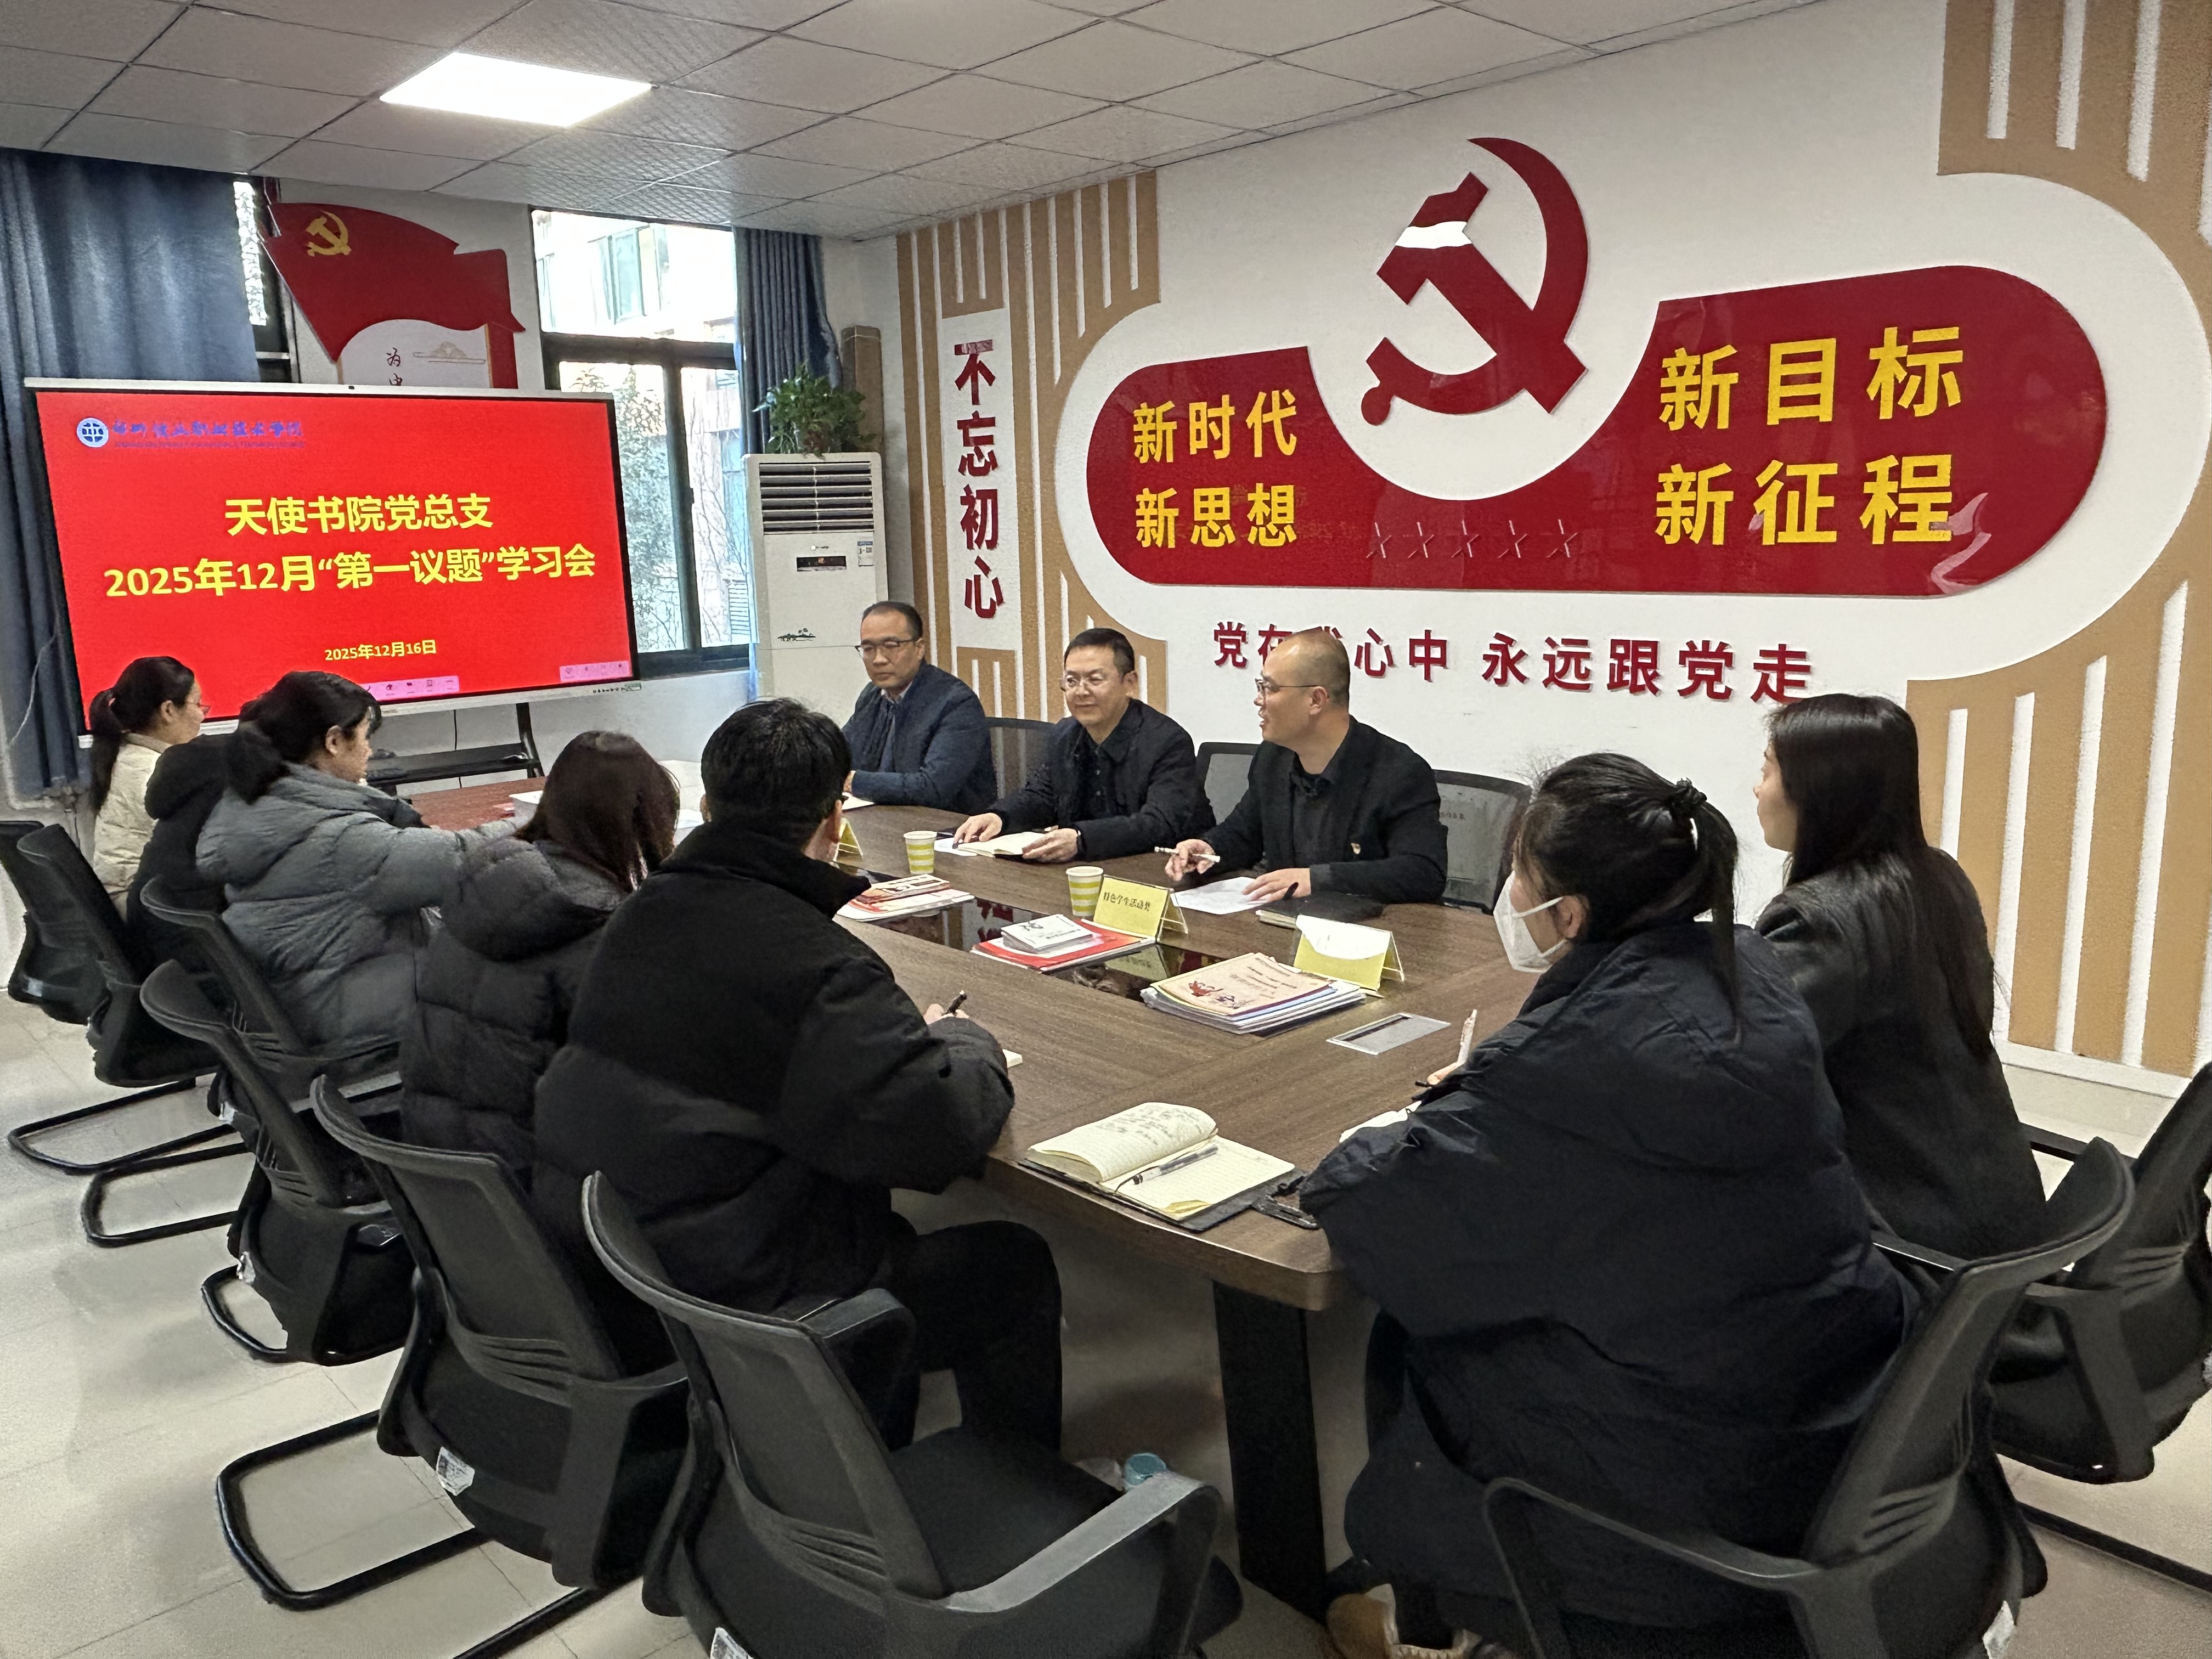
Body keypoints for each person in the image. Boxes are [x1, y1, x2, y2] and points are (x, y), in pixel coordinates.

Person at [1304, 754, 1911, 1658]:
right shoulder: (1744, 965)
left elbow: (1365, 1200)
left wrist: (1407, 1122)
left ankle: (1425, 1625)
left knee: (1412, 1328)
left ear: (1570, 914)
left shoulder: (1574, 1067)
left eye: (1519, 874)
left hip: (1693, 1490)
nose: (1507, 892)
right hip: (1829, 1405)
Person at [533, 698, 1062, 1448]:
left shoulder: (640, 913)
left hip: (620, 1257)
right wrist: (962, 1038)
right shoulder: (815, 963)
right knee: (1012, 1263)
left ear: (709, 807)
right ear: (835, 817)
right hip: (745, 1295)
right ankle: (1013, 1489)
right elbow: (938, 1131)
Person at [1755, 693, 2045, 1258]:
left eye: (1768, 770)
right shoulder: (1939, 879)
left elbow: (1742, 1064)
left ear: (1818, 791)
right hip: (1998, 1220)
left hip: (1914, 1242)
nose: (1757, 789)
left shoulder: (1821, 920)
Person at [399, 732, 678, 1181]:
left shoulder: (490, 884)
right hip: (525, 1176)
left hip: (440, 1164)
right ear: (640, 822)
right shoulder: (589, 923)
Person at [196, 672, 509, 1048]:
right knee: (533, 974)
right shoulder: (340, 839)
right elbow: (463, 859)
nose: (370, 751)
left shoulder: (256, 803)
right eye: (364, 737)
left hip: (304, 993)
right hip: (345, 1010)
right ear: (333, 741)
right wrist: (539, 820)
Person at [1164, 629, 1446, 904]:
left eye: (1269, 688)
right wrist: (1209, 849)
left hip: (1366, 926)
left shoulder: (1399, 772)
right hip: (1283, 919)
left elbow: (1422, 872)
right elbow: (1245, 833)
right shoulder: (1273, 757)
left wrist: (1317, 879)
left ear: (1316, 700)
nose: (1258, 700)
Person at [953, 627, 1210, 863]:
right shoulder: (1065, 734)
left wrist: (1081, 839)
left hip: (1165, 871)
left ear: (1129, 683)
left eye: (1095, 680)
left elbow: (1159, 824)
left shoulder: (1167, 741)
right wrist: (1000, 816)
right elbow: (1042, 796)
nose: (1081, 692)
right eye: (1072, 681)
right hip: (1086, 869)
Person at [842, 600, 997, 811]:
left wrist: (853, 781)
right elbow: (838, 754)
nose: (878, 659)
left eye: (891, 646)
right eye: (868, 649)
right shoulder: (872, 695)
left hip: (946, 826)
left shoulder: (956, 703)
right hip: (881, 817)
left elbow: (932, 788)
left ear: (919, 649)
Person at [87, 656, 202, 904]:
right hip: (142, 902)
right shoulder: (150, 770)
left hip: (140, 893)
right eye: (198, 704)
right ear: (169, 710)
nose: (201, 716)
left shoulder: (127, 755)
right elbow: (198, 843)